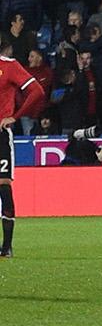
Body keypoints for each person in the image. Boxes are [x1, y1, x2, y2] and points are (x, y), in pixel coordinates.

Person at [0, 51, 48, 255]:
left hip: (0, 135)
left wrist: (16, 116)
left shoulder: (8, 66)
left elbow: (37, 91)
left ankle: (7, 246)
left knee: (3, 186)